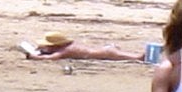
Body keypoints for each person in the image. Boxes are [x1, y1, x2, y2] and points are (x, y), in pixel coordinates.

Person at [18, 31, 146, 62]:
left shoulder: (67, 50)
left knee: (131, 57)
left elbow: (52, 58)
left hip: (105, 52)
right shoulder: (67, 47)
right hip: (104, 50)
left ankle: (140, 57)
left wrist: (33, 56)